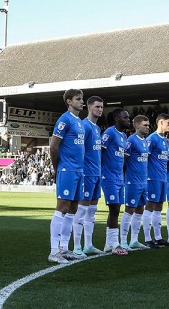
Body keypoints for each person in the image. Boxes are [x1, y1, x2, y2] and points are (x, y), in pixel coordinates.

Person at [48, 89, 86, 264]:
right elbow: (53, 147)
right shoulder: (65, 119)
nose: (81, 102)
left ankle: (64, 247)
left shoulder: (78, 122)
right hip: (67, 170)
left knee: (73, 209)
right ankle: (54, 251)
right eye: (78, 99)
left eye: (82, 99)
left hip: (79, 170)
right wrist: (58, 167)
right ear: (69, 101)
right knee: (62, 207)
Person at [72, 96, 105, 256]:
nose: (99, 109)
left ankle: (88, 245)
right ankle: (77, 246)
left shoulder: (97, 129)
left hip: (97, 174)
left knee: (92, 211)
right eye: (97, 107)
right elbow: (79, 151)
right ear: (89, 107)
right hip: (86, 174)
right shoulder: (84, 126)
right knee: (82, 210)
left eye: (101, 107)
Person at [101, 109, 130, 255]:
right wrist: (103, 171)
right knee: (114, 209)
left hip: (119, 178)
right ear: (117, 118)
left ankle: (108, 244)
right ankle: (115, 244)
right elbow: (100, 150)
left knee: (116, 209)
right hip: (109, 177)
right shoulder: (109, 133)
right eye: (125, 117)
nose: (128, 119)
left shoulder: (124, 136)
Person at [120, 115, 152, 250]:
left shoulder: (145, 142)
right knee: (129, 210)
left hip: (143, 182)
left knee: (140, 210)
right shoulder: (131, 141)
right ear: (137, 126)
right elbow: (123, 161)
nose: (147, 127)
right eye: (145, 125)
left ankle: (134, 240)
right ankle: (123, 241)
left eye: (148, 125)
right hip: (132, 182)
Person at [143, 113, 169, 248]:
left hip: (162, 178)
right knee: (149, 206)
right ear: (160, 122)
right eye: (168, 123)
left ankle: (159, 237)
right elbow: (145, 158)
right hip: (152, 177)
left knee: (159, 207)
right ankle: (147, 238)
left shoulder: (165, 141)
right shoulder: (152, 139)